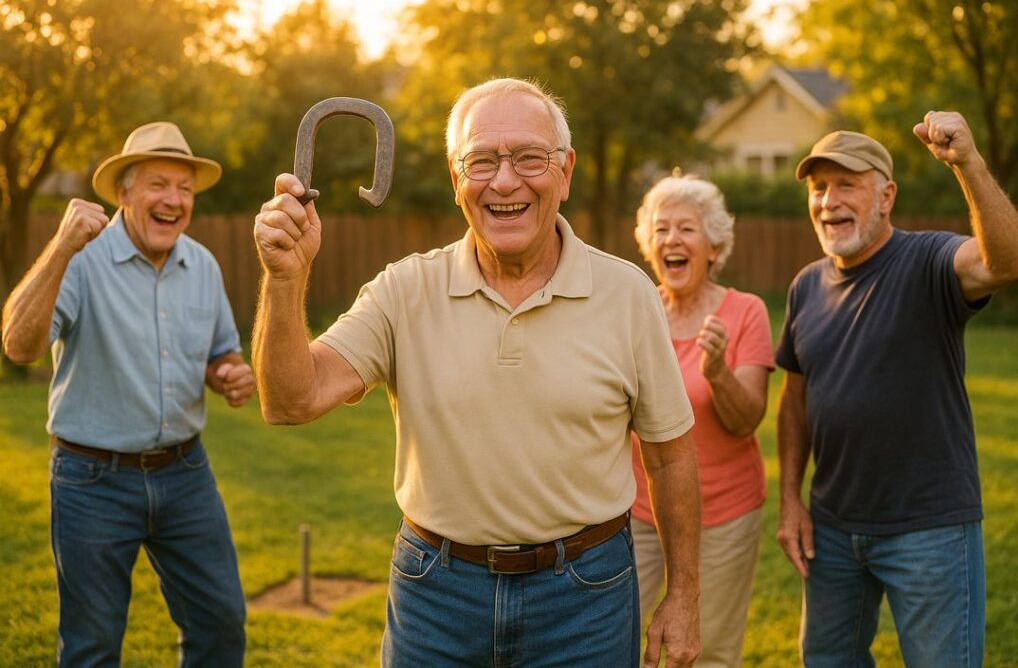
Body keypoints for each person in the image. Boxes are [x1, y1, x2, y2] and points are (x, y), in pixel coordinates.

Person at [252, 78, 702, 667]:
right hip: (436, 593)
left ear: (564, 172)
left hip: (586, 597)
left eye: (528, 158)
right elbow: (291, 400)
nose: (505, 180)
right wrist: (285, 280)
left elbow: (670, 457)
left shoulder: (628, 295)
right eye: (482, 160)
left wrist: (685, 595)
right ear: (455, 178)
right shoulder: (403, 290)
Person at [775, 112, 1018, 667]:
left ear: (885, 195)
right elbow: (794, 401)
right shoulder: (805, 286)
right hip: (834, 529)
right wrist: (791, 499)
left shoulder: (928, 260)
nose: (828, 200)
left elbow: (1006, 262)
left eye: (847, 184)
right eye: (818, 188)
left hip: (929, 529)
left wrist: (968, 164)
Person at [1, 122, 254, 667]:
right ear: (123, 193)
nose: (173, 200)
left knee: (220, 623)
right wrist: (62, 247)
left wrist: (230, 373)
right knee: (92, 646)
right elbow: (19, 345)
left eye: (184, 189)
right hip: (92, 482)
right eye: (159, 184)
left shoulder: (203, 265)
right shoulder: (80, 259)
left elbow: (221, 353)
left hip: (185, 475)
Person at [630, 172, 773, 668]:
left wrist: (717, 372)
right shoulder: (632, 309)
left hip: (724, 515)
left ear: (713, 246)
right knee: (629, 646)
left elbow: (747, 419)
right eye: (662, 229)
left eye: (687, 229)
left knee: (706, 653)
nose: (673, 239)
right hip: (640, 513)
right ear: (649, 245)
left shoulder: (745, 313)